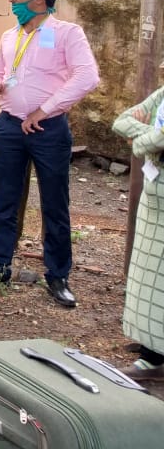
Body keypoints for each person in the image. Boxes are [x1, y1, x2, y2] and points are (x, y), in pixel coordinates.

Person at [0, 0, 99, 308]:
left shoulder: (67, 33)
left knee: (54, 203)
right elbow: (5, 73)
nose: (12, 0)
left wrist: (44, 110)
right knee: (4, 201)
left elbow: (87, 76)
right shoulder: (10, 36)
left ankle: (58, 276)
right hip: (10, 127)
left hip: (48, 130)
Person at [111, 79, 164, 381]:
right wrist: (154, 136)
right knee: (147, 279)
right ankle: (152, 352)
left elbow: (148, 139)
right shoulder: (163, 94)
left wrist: (141, 141)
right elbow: (121, 121)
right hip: (154, 195)